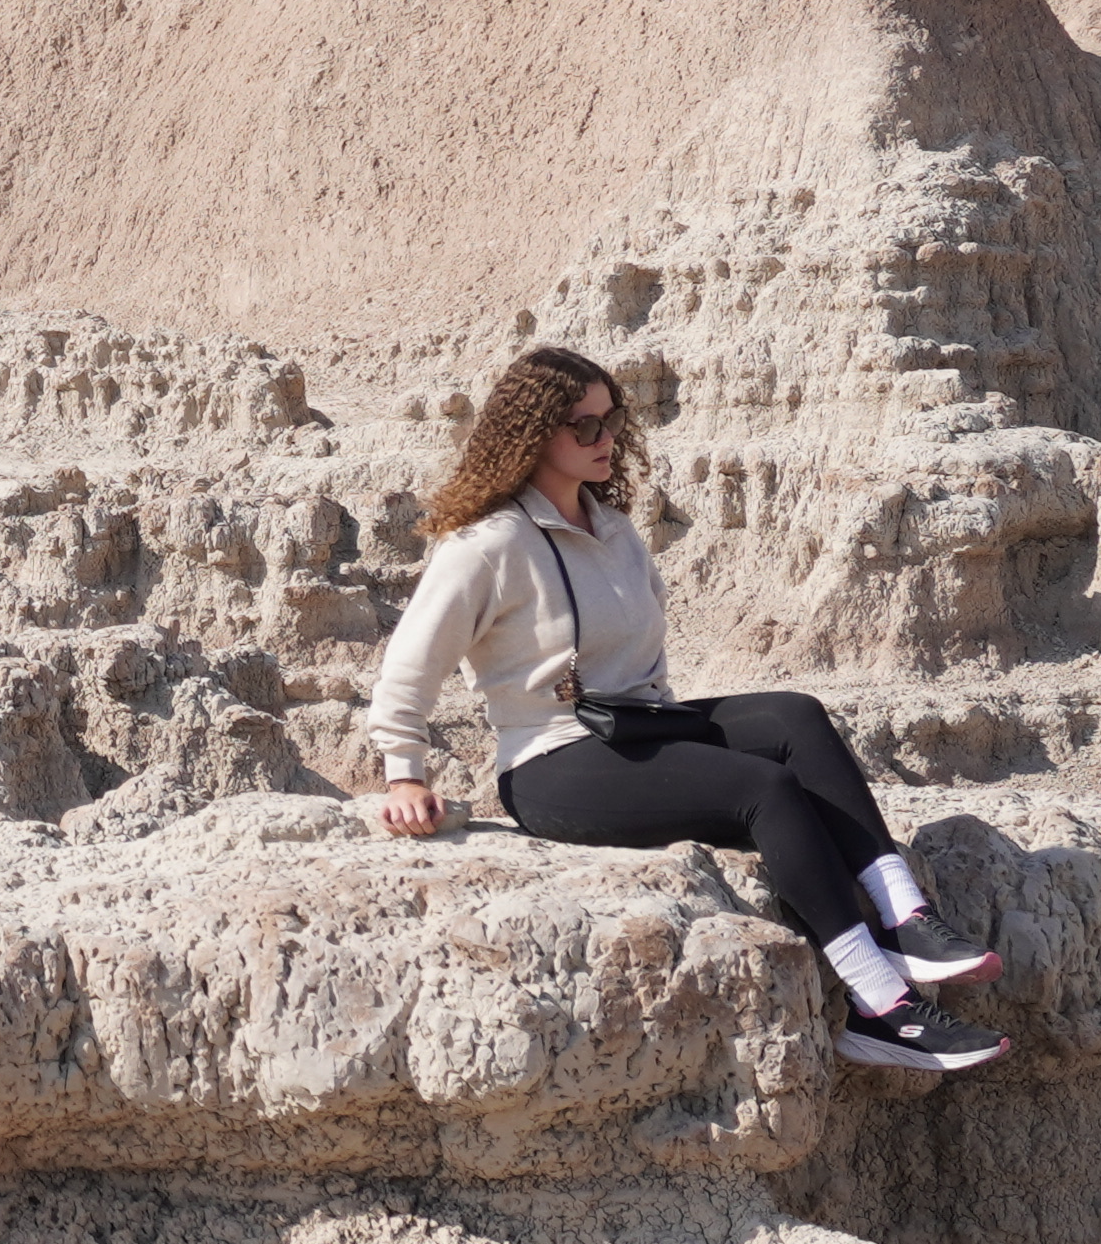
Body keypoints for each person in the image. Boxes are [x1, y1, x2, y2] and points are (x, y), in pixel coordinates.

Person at [358, 345, 1005, 1077]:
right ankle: (881, 1007)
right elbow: (410, 665)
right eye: (585, 427)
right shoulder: (488, 545)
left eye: (612, 421)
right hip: (553, 765)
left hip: (639, 730)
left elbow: (643, 666)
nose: (606, 441)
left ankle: (907, 920)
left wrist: (690, 742)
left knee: (794, 715)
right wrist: (403, 774)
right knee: (765, 791)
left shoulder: (616, 532)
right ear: (535, 434)